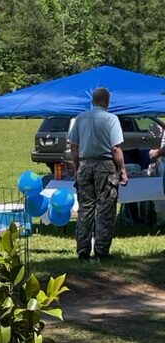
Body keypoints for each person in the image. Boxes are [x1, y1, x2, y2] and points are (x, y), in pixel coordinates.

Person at [68, 87, 128, 261]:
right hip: (105, 165)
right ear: (107, 101)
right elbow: (115, 148)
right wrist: (123, 169)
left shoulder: (80, 118)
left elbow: (73, 146)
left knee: (85, 208)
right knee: (105, 209)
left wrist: (77, 166)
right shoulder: (111, 119)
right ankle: (101, 250)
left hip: (85, 164)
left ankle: (83, 249)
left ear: (92, 101)